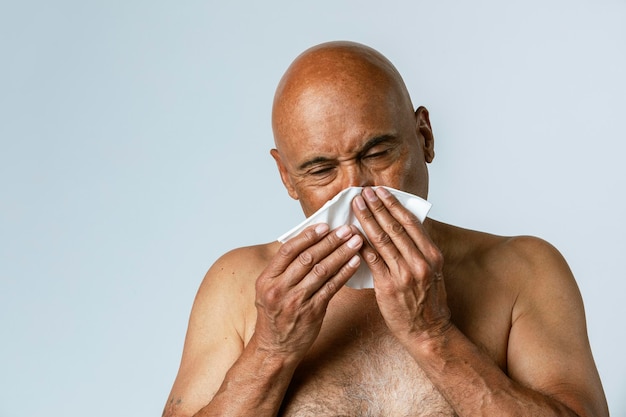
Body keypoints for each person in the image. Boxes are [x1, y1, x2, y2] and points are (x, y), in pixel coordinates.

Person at [162, 41, 608, 417]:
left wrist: (433, 335)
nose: (356, 190)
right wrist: (269, 352)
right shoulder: (239, 285)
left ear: (424, 137)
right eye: (321, 170)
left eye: (377, 153)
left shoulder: (523, 271)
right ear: (286, 177)